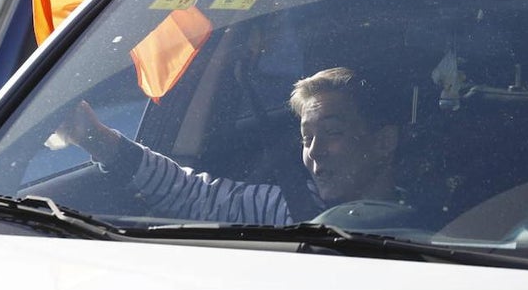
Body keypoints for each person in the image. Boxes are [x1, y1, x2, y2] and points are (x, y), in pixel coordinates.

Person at [57, 66, 404, 225]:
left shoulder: (433, 220)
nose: (314, 151)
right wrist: (96, 140)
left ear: (384, 142)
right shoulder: (288, 208)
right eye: (306, 137)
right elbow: (195, 195)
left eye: (332, 132)